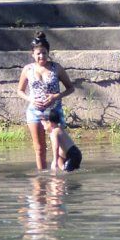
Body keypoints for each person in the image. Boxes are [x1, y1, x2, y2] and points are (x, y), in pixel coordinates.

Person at [16, 31, 75, 170]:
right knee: (39, 149)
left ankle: (61, 176)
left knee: (61, 148)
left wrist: (56, 96)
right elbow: (20, 91)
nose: (41, 56)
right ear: (33, 54)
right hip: (35, 112)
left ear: (48, 53)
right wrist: (30, 98)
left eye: (44, 53)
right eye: (38, 53)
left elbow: (70, 88)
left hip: (54, 112)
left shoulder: (56, 68)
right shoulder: (27, 69)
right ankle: (42, 177)